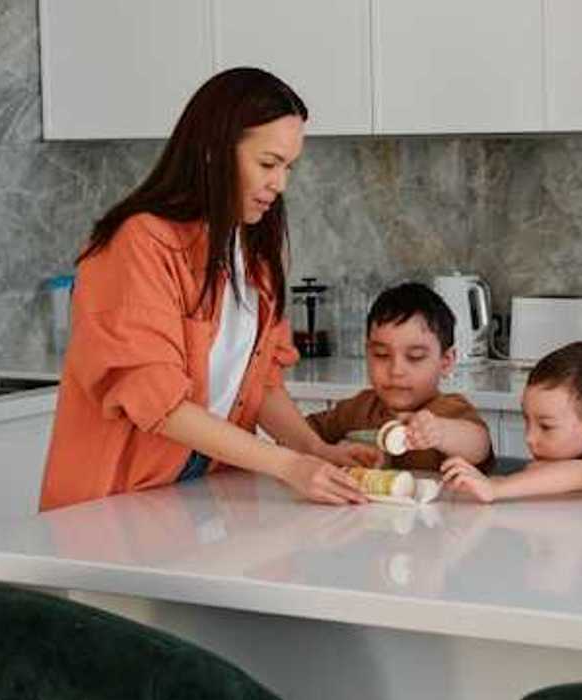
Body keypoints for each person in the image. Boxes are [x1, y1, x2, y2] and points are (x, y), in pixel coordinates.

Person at [41, 68, 369, 511]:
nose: (280, 184)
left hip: (202, 489)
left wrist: (315, 451)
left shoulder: (252, 250)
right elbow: (159, 402)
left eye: (288, 167)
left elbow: (261, 385)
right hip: (117, 499)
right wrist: (289, 465)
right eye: (268, 164)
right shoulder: (139, 243)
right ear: (214, 153)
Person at [304, 282, 494, 473]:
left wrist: (439, 432)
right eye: (381, 354)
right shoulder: (358, 408)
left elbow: (480, 445)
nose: (396, 370)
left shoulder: (450, 410)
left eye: (415, 357)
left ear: (445, 361)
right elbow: (300, 433)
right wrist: (329, 452)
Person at [441, 341, 582, 503]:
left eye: (546, 426)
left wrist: (496, 488)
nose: (529, 438)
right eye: (526, 420)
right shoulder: (542, 470)